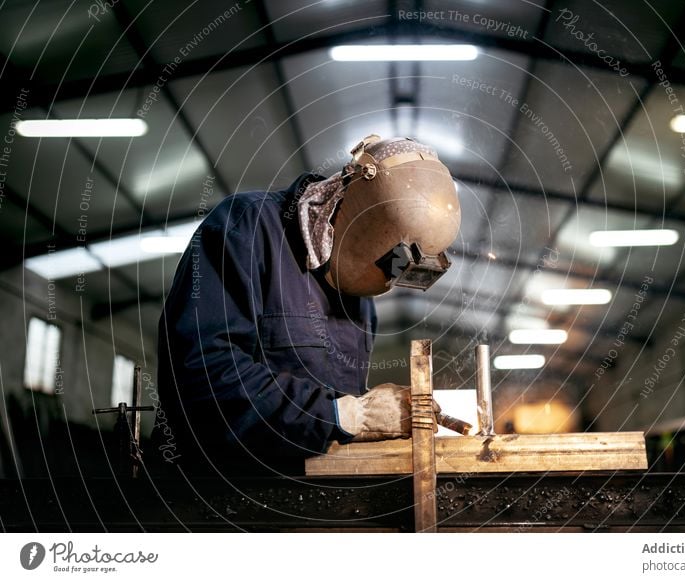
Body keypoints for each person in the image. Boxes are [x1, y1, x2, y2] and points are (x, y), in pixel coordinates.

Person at [152, 135, 461, 474]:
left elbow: (332, 405)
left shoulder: (360, 297)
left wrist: (376, 409)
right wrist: (347, 415)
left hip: (309, 492)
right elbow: (201, 374)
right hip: (216, 490)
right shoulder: (246, 228)